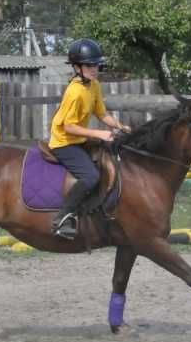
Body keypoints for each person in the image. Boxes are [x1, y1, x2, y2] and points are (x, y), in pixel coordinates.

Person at [48, 38, 130, 239]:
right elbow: (68, 126)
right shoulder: (74, 92)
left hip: (79, 140)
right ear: (76, 67)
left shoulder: (94, 85)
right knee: (90, 176)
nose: (95, 69)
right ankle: (62, 218)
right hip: (64, 142)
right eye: (89, 65)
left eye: (96, 64)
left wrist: (120, 126)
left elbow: (102, 114)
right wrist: (99, 133)